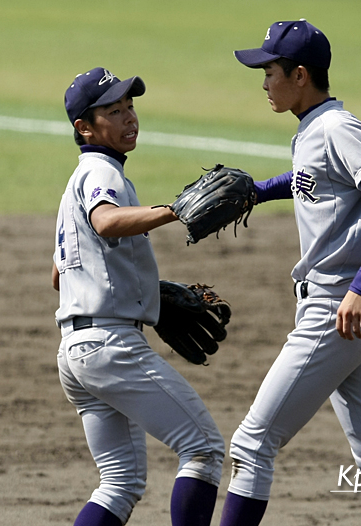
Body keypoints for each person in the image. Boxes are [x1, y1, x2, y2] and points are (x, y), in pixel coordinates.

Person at [218, 20, 361, 526]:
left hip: (339, 309)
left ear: (299, 75)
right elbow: (312, 178)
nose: (263, 82)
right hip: (356, 313)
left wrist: (360, 285)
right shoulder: (315, 127)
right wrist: (258, 192)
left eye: (269, 72)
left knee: (251, 445)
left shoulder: (339, 129)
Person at [52, 67, 224, 526]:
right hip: (110, 347)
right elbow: (107, 222)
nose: (129, 118)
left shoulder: (76, 184)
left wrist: (141, 291)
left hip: (76, 351)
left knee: (119, 483)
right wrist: (172, 210)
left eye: (130, 107)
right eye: (113, 111)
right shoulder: (100, 171)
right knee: (204, 450)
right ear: (84, 128)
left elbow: (58, 275)